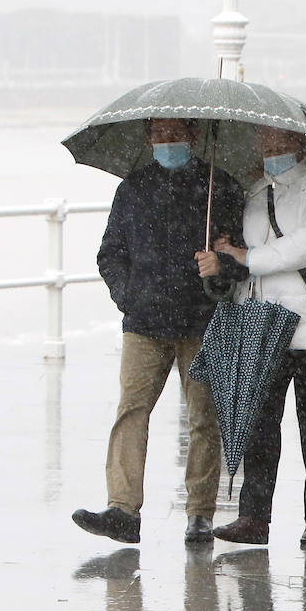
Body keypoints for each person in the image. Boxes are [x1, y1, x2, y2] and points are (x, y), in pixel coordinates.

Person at [72, 118, 245, 545]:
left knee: (205, 418)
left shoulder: (218, 186)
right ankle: (122, 509)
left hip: (204, 321)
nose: (168, 142)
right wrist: (128, 296)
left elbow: (240, 253)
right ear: (148, 137)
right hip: (144, 323)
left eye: (176, 134)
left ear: (193, 134)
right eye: (160, 135)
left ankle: (200, 513)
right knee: (131, 411)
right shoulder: (132, 189)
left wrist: (220, 265)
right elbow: (110, 252)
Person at [196, 126, 306, 548]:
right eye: (263, 138)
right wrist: (226, 254)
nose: (268, 144)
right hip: (264, 324)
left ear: (302, 141)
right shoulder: (256, 187)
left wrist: (250, 258)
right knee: (259, 424)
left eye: (278, 138)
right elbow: (247, 255)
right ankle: (254, 517)